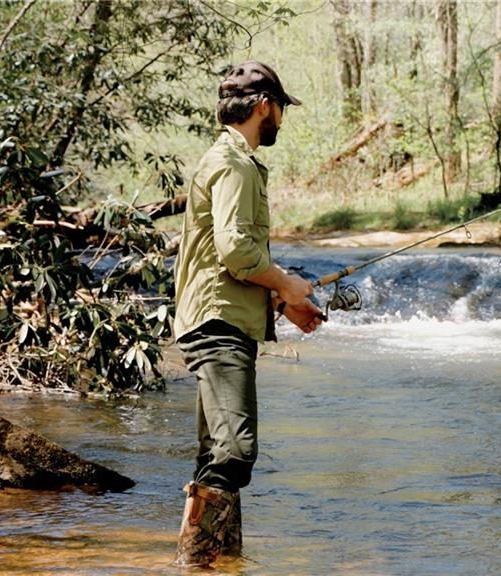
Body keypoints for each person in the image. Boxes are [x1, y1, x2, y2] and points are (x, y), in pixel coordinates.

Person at [171, 61, 324, 567]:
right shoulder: (235, 164)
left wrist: (283, 301)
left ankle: (213, 563)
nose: (281, 118)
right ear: (264, 106)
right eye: (280, 108)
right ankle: (198, 560)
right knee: (236, 451)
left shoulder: (232, 160)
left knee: (217, 453)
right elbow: (236, 252)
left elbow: (228, 258)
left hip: (219, 317)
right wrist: (285, 282)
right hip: (217, 324)